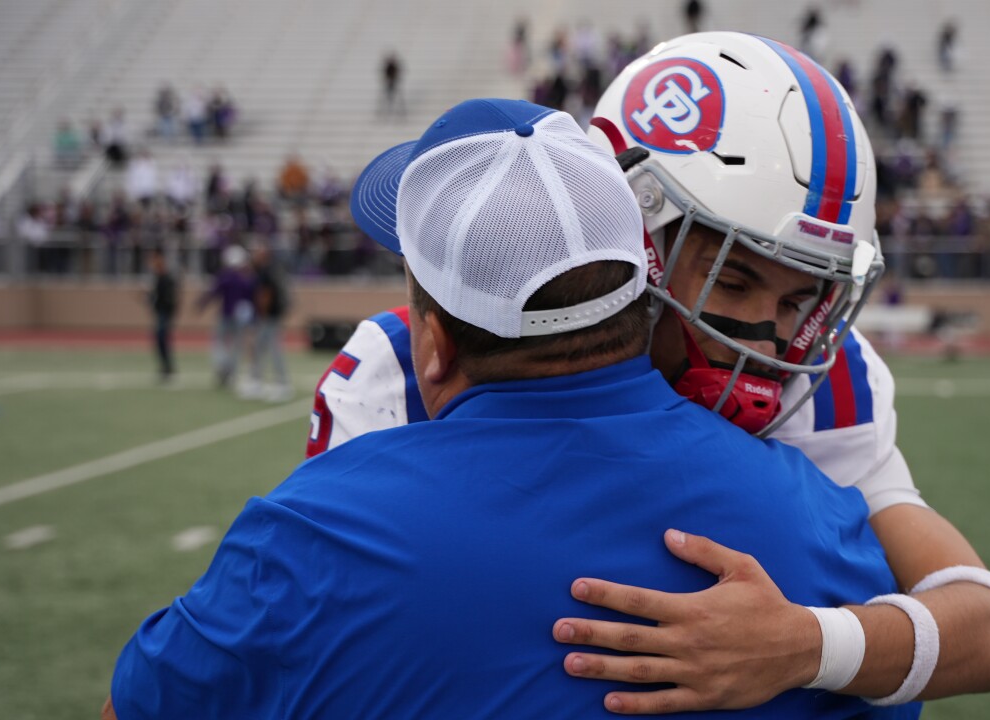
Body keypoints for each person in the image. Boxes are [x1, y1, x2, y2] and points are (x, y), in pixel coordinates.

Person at [105, 98, 914, 719]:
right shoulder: (818, 522)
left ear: (433, 343)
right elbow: (959, 644)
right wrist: (819, 644)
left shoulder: (311, 537)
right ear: (650, 291)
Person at [308, 33, 990, 714]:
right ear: (636, 230)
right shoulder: (412, 362)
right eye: (734, 280)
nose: (769, 339)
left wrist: (811, 645)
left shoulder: (828, 376)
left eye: (800, 296)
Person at [197, 244, 253, 390]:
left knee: (218, 343)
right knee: (235, 347)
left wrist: (201, 304)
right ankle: (231, 374)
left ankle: (223, 368)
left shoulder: (225, 277)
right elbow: (251, 298)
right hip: (238, 318)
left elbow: (212, 293)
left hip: (226, 316)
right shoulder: (244, 279)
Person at [242, 245, 291, 401]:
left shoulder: (266, 271)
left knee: (270, 349)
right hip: (272, 316)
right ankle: (258, 381)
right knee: (262, 348)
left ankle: (281, 383)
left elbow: (266, 295)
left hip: (269, 317)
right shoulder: (272, 270)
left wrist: (261, 314)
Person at [146, 249, 179, 383]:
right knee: (161, 341)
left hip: (164, 313)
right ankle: (166, 367)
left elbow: (169, 298)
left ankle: (168, 368)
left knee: (162, 340)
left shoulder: (166, 278)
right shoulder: (159, 277)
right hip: (161, 312)